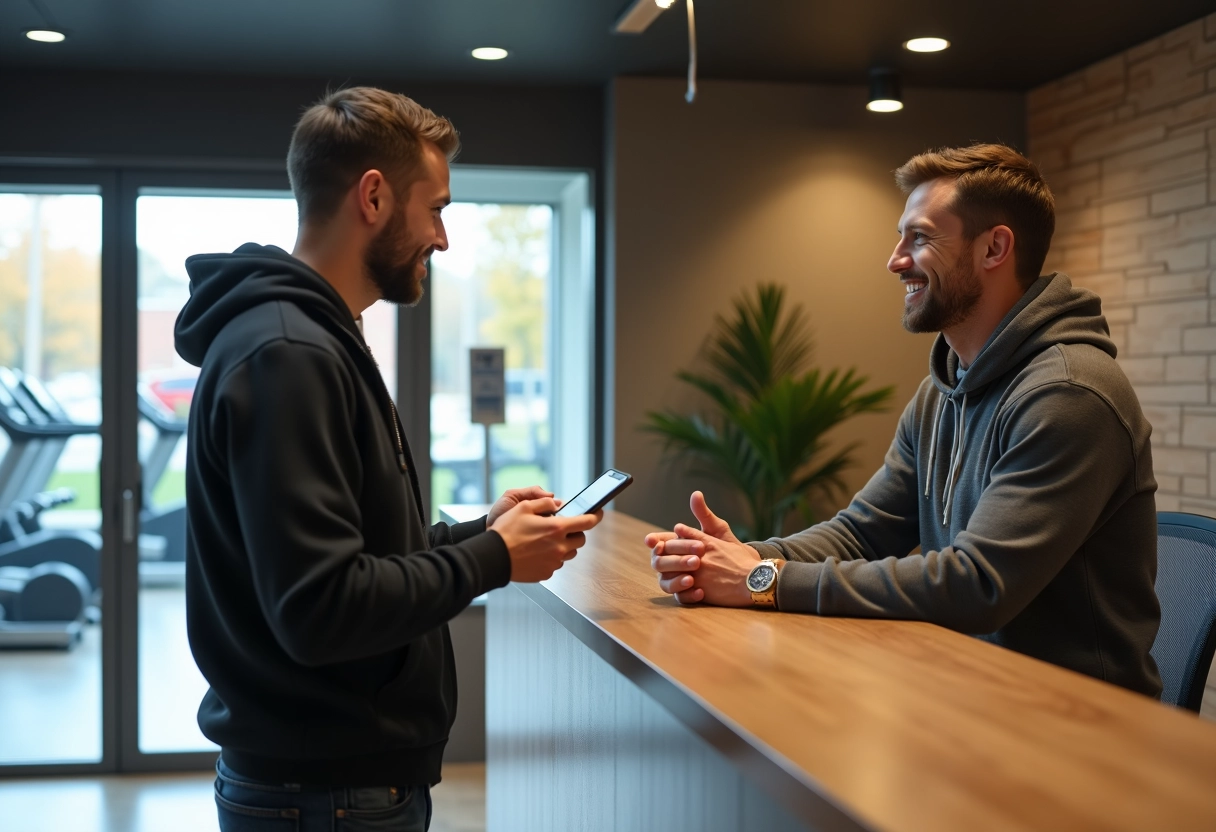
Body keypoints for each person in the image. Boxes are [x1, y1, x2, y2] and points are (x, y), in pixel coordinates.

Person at [175, 87, 601, 831]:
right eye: (435, 208)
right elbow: (322, 608)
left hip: (328, 789)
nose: (442, 238)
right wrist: (495, 560)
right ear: (373, 196)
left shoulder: (310, 340)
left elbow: (359, 553)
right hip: (324, 797)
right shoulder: (289, 354)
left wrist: (481, 531)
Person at [647, 143, 1162, 697]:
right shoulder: (939, 394)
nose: (895, 259)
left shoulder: (1069, 392)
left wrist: (760, 581)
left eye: (919, 237)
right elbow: (861, 532)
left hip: (1078, 723)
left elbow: (978, 584)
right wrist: (750, 558)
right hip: (970, 695)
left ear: (995, 247)